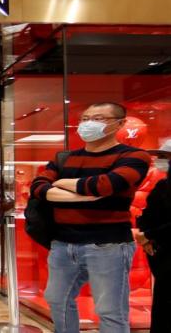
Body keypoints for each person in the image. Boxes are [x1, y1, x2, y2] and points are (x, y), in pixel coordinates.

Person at [31, 102, 151, 333]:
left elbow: (107, 185)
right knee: (57, 299)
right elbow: (39, 187)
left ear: (119, 124)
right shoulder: (65, 158)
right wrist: (85, 194)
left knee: (110, 310)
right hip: (63, 243)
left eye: (98, 118)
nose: (88, 124)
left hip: (108, 244)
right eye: (85, 118)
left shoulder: (134, 156)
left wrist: (62, 184)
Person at [135, 141, 171, 333]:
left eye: (165, 157)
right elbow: (149, 213)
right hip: (162, 255)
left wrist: (148, 235)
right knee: (163, 306)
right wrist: (145, 234)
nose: (160, 161)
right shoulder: (163, 184)